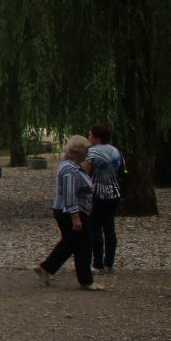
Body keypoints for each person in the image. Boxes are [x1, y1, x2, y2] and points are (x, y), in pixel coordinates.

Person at [35, 135, 104, 290]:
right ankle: (86, 281)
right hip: (71, 211)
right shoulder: (69, 170)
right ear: (79, 153)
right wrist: (76, 218)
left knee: (71, 243)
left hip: (69, 210)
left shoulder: (68, 164)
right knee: (83, 246)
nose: (87, 156)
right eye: (86, 152)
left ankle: (46, 268)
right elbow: (69, 194)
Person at [83, 123, 124, 274]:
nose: (88, 138)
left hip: (97, 194)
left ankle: (98, 264)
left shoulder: (92, 153)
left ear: (97, 137)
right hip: (114, 193)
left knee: (95, 228)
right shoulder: (116, 151)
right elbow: (120, 171)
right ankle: (109, 263)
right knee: (110, 228)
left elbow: (85, 174)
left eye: (90, 135)